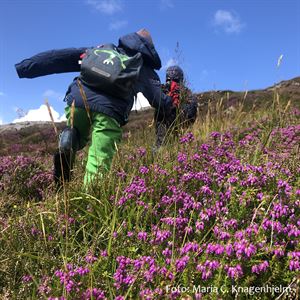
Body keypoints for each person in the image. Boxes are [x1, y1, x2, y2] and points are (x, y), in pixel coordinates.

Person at [15, 29, 175, 186]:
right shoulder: (141, 65)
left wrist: (26, 67)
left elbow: (60, 58)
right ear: (148, 48)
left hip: (77, 101)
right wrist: (174, 108)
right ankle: (89, 201)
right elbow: (159, 100)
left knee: (77, 135)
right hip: (110, 111)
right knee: (99, 158)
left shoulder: (102, 49)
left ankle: (70, 138)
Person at [154, 65, 198, 150]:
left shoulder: (162, 91)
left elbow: (191, 114)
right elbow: (191, 116)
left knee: (160, 149)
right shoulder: (187, 93)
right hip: (178, 134)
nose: (171, 83)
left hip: (175, 133)